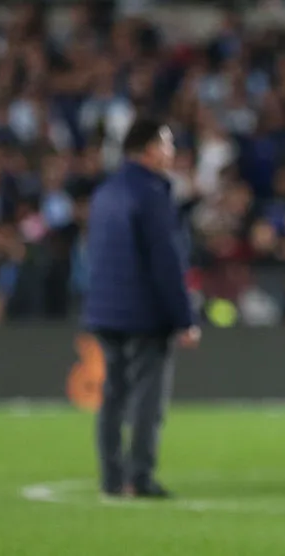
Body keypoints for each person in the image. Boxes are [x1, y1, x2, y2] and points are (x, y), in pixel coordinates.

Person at [83, 117, 200, 498]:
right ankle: (141, 477)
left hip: (104, 311)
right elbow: (166, 261)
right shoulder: (152, 194)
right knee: (148, 400)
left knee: (112, 397)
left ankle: (112, 479)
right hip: (145, 315)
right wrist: (184, 318)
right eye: (166, 145)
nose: (171, 153)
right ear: (149, 149)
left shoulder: (105, 192)